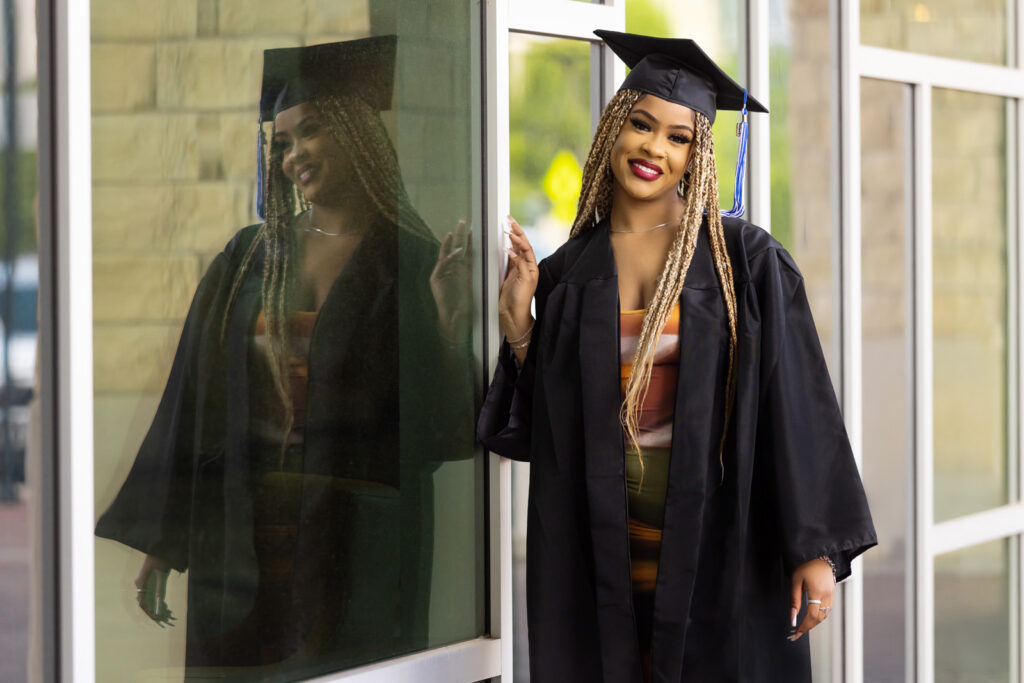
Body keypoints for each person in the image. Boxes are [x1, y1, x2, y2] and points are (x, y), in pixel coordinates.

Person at [478, 30, 876, 682]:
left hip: (719, 553)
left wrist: (816, 552)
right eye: (640, 124)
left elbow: (797, 405)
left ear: (698, 156)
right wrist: (519, 324)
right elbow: (537, 433)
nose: (653, 149)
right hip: (599, 560)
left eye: (678, 137)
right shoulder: (569, 273)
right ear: (613, 129)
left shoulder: (744, 264)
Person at [95, 36, 475, 678]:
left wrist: (446, 322)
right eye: (283, 143)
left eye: (313, 133)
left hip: (357, 539)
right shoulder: (248, 257)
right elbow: (194, 397)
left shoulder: (410, 260)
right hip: (242, 526)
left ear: (359, 134)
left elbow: (440, 432)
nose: (295, 155)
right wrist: (165, 540)